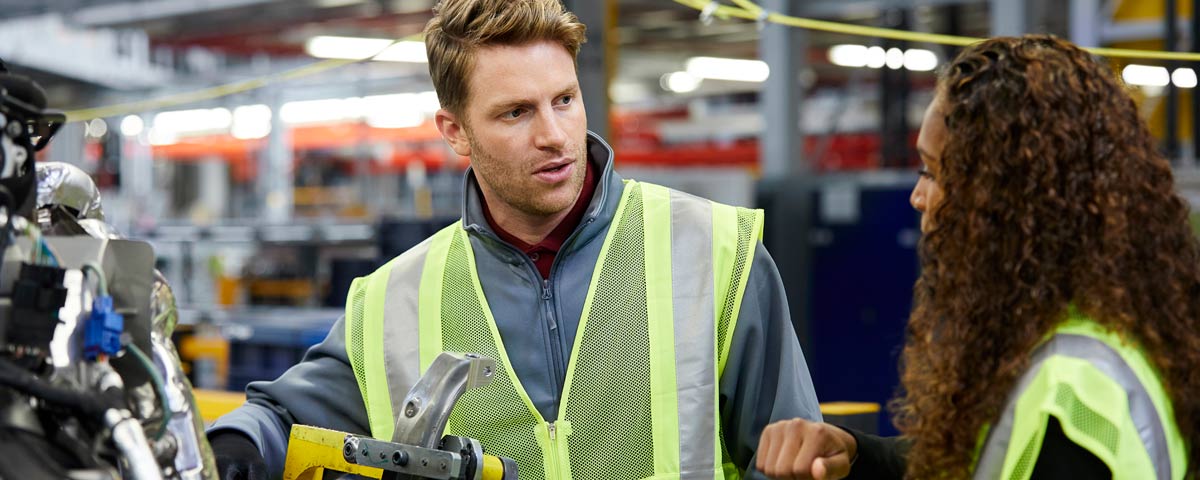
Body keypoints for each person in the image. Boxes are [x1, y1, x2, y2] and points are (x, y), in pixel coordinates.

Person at [207, 0, 822, 478]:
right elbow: (285, 419)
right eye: (516, 112)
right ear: (456, 132)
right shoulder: (395, 297)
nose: (555, 135)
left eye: (565, 99)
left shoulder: (713, 251)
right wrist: (235, 442)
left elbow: (795, 458)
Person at [756, 35, 1198, 480]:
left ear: (1002, 201)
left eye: (932, 171)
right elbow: (978, 457)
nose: (917, 196)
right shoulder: (1100, 338)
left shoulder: (1068, 400)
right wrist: (855, 452)